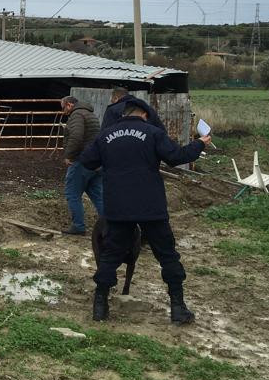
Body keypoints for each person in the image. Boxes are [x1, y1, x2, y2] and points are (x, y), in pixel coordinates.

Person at [81, 97, 210, 324]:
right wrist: (200, 143)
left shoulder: (106, 135)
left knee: (110, 255)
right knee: (167, 255)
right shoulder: (153, 133)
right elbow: (177, 157)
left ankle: (99, 307)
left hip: (118, 206)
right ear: (145, 114)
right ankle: (178, 308)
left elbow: (87, 162)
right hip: (150, 206)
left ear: (124, 114)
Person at [59, 95, 104, 236]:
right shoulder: (90, 114)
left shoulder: (77, 115)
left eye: (63, 107)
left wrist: (69, 156)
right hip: (95, 161)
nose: (63, 111)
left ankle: (78, 226)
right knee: (97, 194)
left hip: (81, 160)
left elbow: (76, 137)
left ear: (69, 104)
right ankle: (110, 223)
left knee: (72, 193)